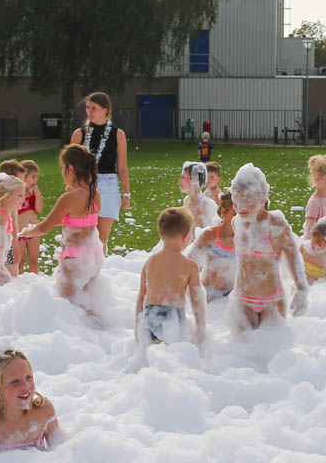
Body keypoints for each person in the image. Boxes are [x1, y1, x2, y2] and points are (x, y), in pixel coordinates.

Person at [22, 145, 106, 311]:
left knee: (68, 306)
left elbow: (45, 227)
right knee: (87, 305)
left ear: (71, 169)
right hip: (93, 255)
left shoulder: (69, 198)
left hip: (74, 260)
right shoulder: (94, 194)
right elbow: (78, 221)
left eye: (62, 167)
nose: (62, 172)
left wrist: (27, 231)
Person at [225, 164, 308, 329]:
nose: (240, 208)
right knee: (242, 344)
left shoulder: (275, 225)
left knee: (271, 343)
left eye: (247, 202)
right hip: (242, 299)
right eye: (236, 201)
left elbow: (293, 257)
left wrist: (301, 289)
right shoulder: (237, 222)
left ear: (262, 198)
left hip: (271, 300)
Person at [134, 208, 207, 357]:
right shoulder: (190, 266)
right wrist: (201, 330)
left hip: (149, 319)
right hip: (173, 320)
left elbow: (141, 296)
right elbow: (197, 300)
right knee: (173, 358)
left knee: (151, 357)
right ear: (185, 237)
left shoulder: (150, 262)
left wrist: (137, 326)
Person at [70, 92, 132, 249]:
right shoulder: (79, 134)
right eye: (87, 108)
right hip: (85, 185)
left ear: (105, 110)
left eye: (94, 108)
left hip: (109, 185)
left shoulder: (118, 134)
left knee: (101, 238)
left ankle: (99, 264)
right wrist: (72, 188)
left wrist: (126, 194)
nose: (89, 111)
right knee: (84, 235)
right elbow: (70, 166)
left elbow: (122, 166)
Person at [0, 348, 59, 453]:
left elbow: (61, 452)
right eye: (15, 381)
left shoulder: (44, 413)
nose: (26, 386)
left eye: (28, 377)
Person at [188, 191, 238, 300]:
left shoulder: (244, 238)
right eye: (235, 213)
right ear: (223, 211)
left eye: (242, 213)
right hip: (209, 294)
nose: (238, 218)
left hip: (230, 296)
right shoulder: (210, 235)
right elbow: (190, 261)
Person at [14, 159, 44, 275]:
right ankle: (19, 283)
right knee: (19, 262)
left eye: (37, 177)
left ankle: (34, 281)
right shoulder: (17, 194)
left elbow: (39, 210)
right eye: (33, 177)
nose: (36, 180)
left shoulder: (33, 193)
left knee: (34, 261)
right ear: (24, 177)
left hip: (33, 232)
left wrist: (37, 193)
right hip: (20, 234)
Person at [180, 161, 217, 232]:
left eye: (183, 177)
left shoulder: (207, 204)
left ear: (195, 179)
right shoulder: (187, 200)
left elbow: (213, 232)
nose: (180, 180)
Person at [302, 219, 326, 284]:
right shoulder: (304, 248)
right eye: (311, 239)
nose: (312, 244)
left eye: (316, 242)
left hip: (317, 287)